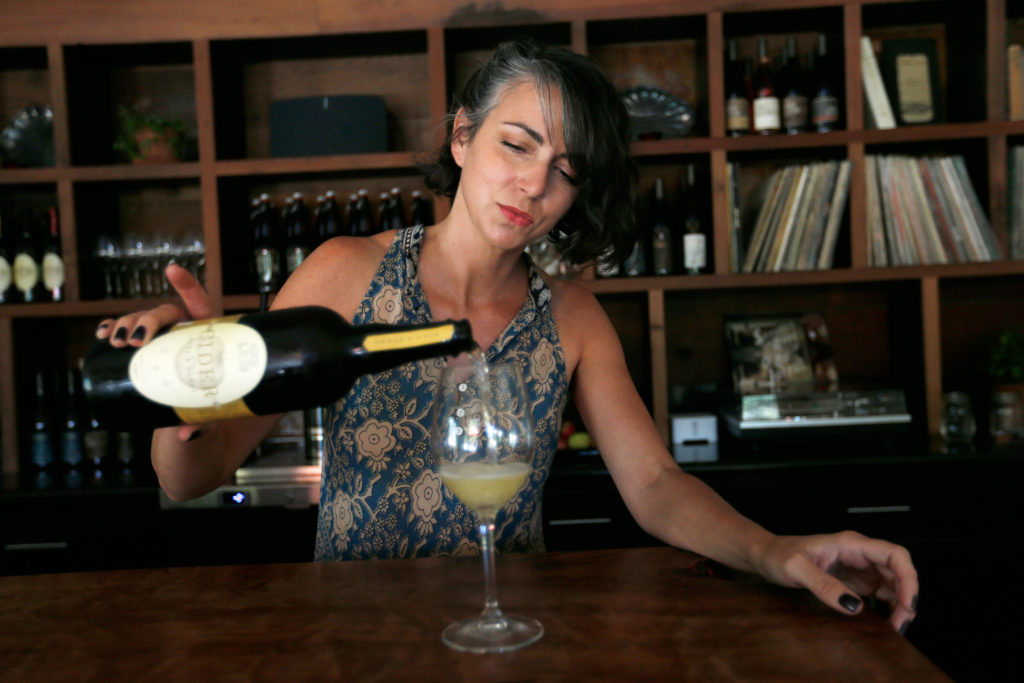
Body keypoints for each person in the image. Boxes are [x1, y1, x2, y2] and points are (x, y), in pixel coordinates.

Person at [96, 38, 917, 634]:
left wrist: (776, 552)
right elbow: (189, 477)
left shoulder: (573, 317)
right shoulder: (345, 275)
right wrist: (189, 383)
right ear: (461, 138)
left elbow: (656, 484)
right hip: (355, 633)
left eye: (566, 170)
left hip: (515, 630)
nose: (534, 183)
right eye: (515, 145)